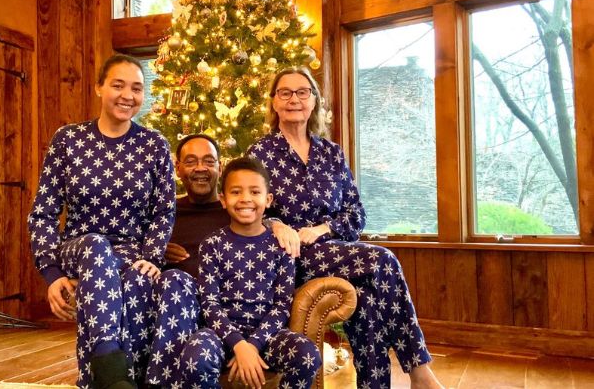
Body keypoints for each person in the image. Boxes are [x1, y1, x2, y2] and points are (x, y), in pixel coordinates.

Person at [248, 67, 442, 389]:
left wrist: (322, 229)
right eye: (285, 93)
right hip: (293, 259)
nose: (294, 99)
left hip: (334, 249)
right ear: (274, 103)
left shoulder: (332, 153)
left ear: (314, 101)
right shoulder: (261, 153)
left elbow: (357, 214)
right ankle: (420, 371)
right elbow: (249, 208)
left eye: (302, 92)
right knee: (384, 260)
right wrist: (276, 223)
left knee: (366, 302)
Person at [27, 54, 176, 389]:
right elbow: (44, 211)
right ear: (99, 88)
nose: (128, 95)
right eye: (118, 85)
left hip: (131, 251)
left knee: (137, 283)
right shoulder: (68, 140)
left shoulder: (155, 146)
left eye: (137, 88)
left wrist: (150, 258)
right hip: (79, 248)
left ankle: (123, 381)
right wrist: (51, 273)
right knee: (97, 246)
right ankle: (107, 367)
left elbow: (163, 211)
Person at [145, 134, 300, 386]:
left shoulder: (237, 210)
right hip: (185, 310)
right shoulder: (165, 214)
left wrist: (278, 225)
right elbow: (140, 248)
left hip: (234, 316)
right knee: (173, 279)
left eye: (208, 160)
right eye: (191, 161)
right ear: (178, 168)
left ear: (219, 166)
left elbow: (259, 219)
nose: (200, 168)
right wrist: (155, 251)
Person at [178, 157, 322, 389]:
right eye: (236, 192)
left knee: (308, 355)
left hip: (268, 335)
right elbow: (210, 304)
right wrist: (238, 344)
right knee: (195, 357)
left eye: (255, 192)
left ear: (268, 199)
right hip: (221, 335)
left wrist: (253, 344)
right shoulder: (211, 245)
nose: (246, 199)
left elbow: (282, 304)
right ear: (224, 200)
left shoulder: (281, 246)